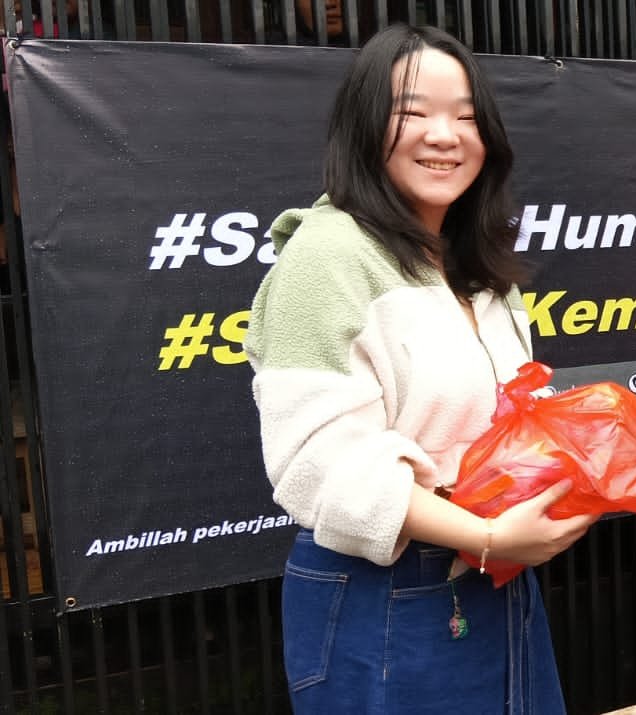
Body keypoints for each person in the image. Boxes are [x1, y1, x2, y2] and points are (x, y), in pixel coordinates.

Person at [246, 24, 594, 711]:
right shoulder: (326, 255)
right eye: (414, 113)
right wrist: (486, 535)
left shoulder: (478, 266)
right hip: (382, 593)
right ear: (365, 126)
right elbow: (318, 463)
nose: (445, 136)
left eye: (466, 117)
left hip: (497, 581)